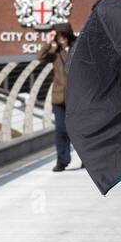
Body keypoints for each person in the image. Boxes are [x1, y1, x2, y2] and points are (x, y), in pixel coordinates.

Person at [38, 22, 75, 172]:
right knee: (60, 129)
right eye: (57, 36)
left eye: (61, 35)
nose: (59, 39)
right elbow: (40, 58)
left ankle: (87, 159)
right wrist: (48, 42)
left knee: (79, 129)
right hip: (59, 98)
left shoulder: (76, 49)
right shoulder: (55, 52)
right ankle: (62, 161)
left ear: (67, 35)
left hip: (75, 97)